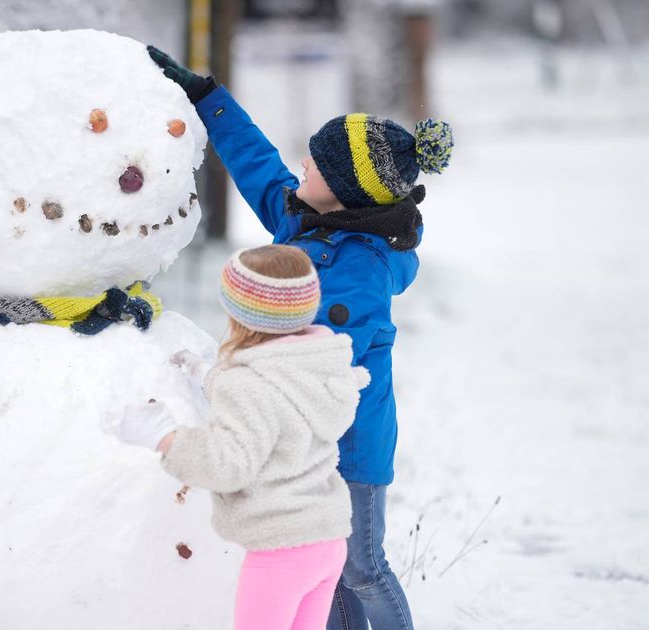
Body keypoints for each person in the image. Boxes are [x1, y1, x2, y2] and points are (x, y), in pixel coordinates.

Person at [146, 44, 454, 630]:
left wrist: (239, 387)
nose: (302, 169)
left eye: (314, 165)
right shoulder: (308, 221)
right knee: (328, 565)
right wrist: (208, 98)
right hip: (308, 441)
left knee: (360, 566)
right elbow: (258, 165)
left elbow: (322, 362)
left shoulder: (359, 271)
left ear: (343, 191)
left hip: (351, 448)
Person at [112, 244, 370, 630]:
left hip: (280, 552)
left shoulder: (249, 385)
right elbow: (274, 399)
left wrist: (164, 435)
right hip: (328, 542)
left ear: (243, 315)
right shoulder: (319, 365)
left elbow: (228, 464)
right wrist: (207, 374)